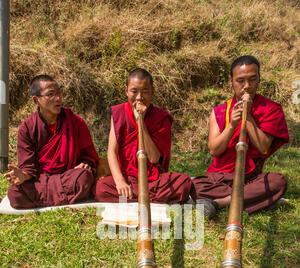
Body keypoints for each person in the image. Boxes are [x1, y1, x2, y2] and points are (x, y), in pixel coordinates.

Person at [192, 55, 289, 218]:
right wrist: (232, 125)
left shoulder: (271, 109)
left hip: (250, 178)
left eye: (252, 79)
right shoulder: (220, 111)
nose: (247, 86)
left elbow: (263, 146)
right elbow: (214, 150)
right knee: (189, 184)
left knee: (277, 182)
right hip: (219, 178)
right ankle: (257, 199)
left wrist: (248, 117)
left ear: (259, 79)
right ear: (231, 81)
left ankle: (218, 203)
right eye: (240, 81)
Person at [94, 68, 192, 203]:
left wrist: (140, 123)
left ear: (152, 92)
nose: (139, 97)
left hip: (153, 180)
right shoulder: (119, 112)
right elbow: (111, 150)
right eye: (134, 91)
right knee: (101, 188)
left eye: (145, 91)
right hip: (127, 177)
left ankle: (131, 198)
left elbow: (154, 157)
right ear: (126, 91)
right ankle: (145, 198)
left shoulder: (161, 118)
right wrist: (120, 181)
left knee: (183, 183)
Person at [6, 74, 99, 209]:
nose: (58, 98)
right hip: (41, 179)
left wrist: (86, 163)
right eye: (50, 94)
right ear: (36, 100)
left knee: (84, 177)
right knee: (15, 195)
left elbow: (88, 154)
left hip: (69, 175)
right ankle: (68, 197)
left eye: (59, 93)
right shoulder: (27, 128)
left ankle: (43, 199)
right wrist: (23, 175)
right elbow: (28, 167)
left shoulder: (75, 122)